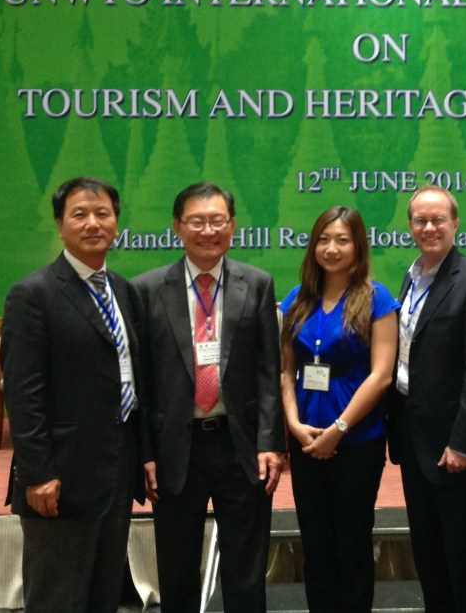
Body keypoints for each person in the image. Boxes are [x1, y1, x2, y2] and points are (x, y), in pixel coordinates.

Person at [133, 182, 283, 613]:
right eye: (197, 221)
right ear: (177, 227)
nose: (208, 230)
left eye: (217, 220)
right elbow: (141, 381)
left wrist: (270, 442)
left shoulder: (256, 284)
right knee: (177, 565)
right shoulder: (146, 289)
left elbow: (268, 371)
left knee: (246, 569)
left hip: (241, 446)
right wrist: (145, 451)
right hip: (175, 448)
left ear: (232, 226)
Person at [0, 176, 146, 613]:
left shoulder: (123, 290)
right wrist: (38, 473)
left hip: (116, 472)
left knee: (104, 595)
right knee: (57, 598)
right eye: (79, 214)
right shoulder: (33, 294)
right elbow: (23, 394)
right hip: (59, 478)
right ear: (60, 225)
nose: (93, 223)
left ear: (116, 222)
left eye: (103, 213)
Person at [279, 205, 400, 613]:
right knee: (315, 545)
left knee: (352, 544)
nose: (331, 249)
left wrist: (339, 429)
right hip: (306, 440)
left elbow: (381, 375)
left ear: (358, 246)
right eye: (323, 240)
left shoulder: (377, 299)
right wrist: (294, 424)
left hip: (358, 442)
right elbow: (285, 371)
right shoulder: (297, 299)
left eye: (342, 240)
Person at [386, 186, 466, 612]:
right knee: (428, 552)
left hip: (454, 446)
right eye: (420, 220)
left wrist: (465, 443)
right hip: (413, 437)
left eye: (438, 220)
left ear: (455, 223)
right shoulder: (411, 277)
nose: (429, 228)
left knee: (463, 556)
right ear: (410, 226)